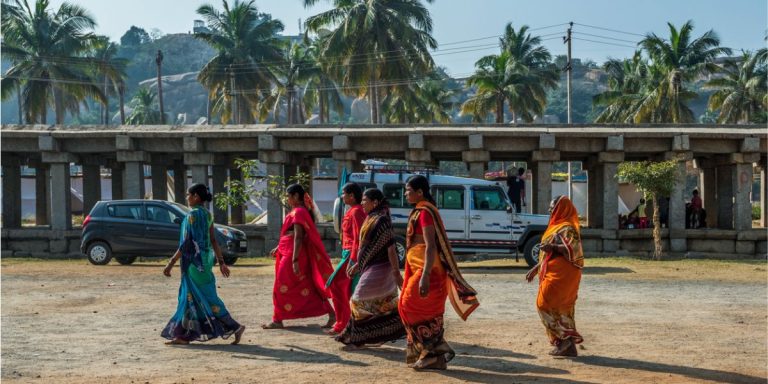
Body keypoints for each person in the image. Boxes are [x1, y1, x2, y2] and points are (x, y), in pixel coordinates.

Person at [399, 175, 479, 370]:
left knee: (409, 305)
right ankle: (433, 355)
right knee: (405, 306)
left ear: (420, 192)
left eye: (408, 190)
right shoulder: (419, 211)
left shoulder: (425, 212)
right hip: (420, 267)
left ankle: (434, 351)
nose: (405, 194)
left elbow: (430, 245)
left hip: (429, 271)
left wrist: (425, 276)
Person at [161, 183, 245, 345]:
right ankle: (183, 335)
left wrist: (171, 263)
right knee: (195, 296)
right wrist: (221, 262)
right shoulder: (207, 215)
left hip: (194, 262)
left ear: (196, 197)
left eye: (188, 194)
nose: (187, 198)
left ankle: (234, 326)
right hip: (205, 260)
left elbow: (187, 243)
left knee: (199, 296)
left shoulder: (191, 216)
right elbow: (213, 240)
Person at [262, 184, 345, 330]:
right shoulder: (298, 211)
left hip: (293, 255)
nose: (287, 199)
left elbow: (299, 237)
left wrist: (294, 260)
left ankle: (277, 319)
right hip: (289, 251)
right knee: (309, 286)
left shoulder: (299, 212)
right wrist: (279, 246)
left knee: (280, 286)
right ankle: (332, 314)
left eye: (288, 196)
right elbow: (291, 233)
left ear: (295, 196)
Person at [335, 188, 406, 348]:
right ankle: (377, 335)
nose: (362, 203)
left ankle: (358, 336)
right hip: (369, 266)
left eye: (365, 200)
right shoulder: (370, 218)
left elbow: (390, 248)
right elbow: (363, 247)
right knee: (381, 304)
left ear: (375, 202)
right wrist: (357, 266)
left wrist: (396, 272)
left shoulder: (382, 220)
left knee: (357, 300)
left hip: (381, 268)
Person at [525, 196, 584, 357]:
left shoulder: (568, 227)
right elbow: (548, 254)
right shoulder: (554, 226)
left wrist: (552, 246)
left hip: (564, 274)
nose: (550, 210)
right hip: (551, 271)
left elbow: (574, 249)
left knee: (543, 304)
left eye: (553, 207)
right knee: (561, 309)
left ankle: (565, 339)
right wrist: (536, 268)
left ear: (562, 208)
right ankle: (568, 346)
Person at [324, 183, 366, 335]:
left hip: (351, 255)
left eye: (344, 193)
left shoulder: (356, 212)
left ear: (351, 196)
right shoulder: (353, 210)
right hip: (347, 254)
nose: (342, 196)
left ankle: (343, 323)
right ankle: (345, 323)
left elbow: (359, 238)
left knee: (335, 285)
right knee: (343, 289)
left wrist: (354, 260)